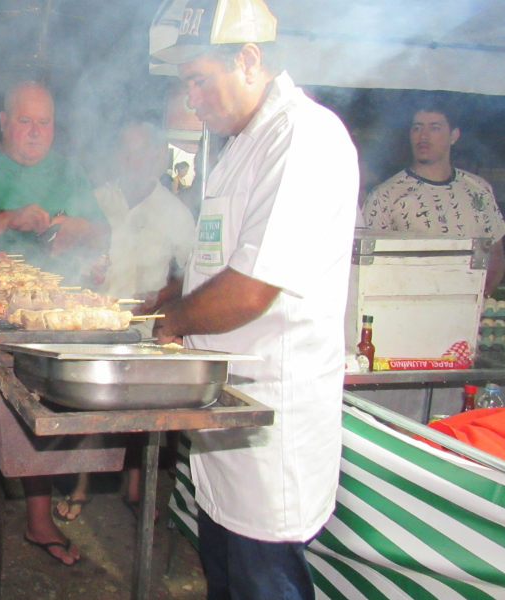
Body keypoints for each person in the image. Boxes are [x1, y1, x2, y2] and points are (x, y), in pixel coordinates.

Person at [150, 0, 359, 597]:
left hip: (272, 426)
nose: (191, 98)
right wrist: (165, 298)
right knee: (225, 577)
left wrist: (171, 319)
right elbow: (216, 263)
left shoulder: (303, 137)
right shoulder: (237, 144)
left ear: (248, 60)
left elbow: (249, 289)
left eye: (198, 79)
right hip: (225, 416)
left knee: (264, 582)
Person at [0, 80, 109, 569]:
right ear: (4, 121)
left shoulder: (69, 172)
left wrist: (78, 229)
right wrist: (8, 218)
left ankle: (39, 520)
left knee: (39, 417)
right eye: (24, 121)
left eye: (44, 122)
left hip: (45, 317)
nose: (35, 131)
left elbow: (101, 231)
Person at [55, 121, 196, 522]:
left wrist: (162, 297)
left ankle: (136, 489)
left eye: (141, 153)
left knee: (141, 415)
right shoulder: (97, 199)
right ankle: (81, 486)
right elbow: (69, 257)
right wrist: (83, 272)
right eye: (125, 151)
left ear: (157, 158)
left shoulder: (177, 213)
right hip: (96, 326)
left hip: (149, 328)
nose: (132, 161)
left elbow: (189, 274)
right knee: (86, 410)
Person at [361, 102, 505, 294]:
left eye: (434, 128)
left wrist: (481, 299)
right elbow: (367, 267)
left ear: (453, 135)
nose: (423, 136)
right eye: (417, 128)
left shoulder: (479, 189)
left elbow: (495, 254)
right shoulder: (385, 195)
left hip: (469, 310)